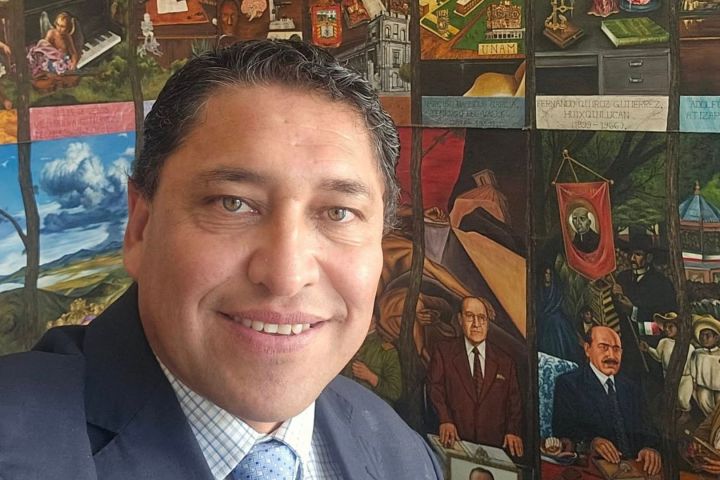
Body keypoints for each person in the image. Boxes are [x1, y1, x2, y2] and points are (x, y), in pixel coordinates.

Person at [0, 40, 442, 478]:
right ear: (141, 227)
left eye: (338, 213)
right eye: (232, 204)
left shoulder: (402, 455)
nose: (286, 275)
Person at [552, 326, 662, 475]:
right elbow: (563, 431)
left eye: (616, 349)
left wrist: (650, 448)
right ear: (587, 349)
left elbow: (649, 429)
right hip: (594, 469)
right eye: (603, 347)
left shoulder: (632, 387)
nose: (611, 355)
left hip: (635, 469)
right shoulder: (569, 384)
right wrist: (592, 443)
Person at [427, 296, 524, 457]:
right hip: (455, 444)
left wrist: (513, 431)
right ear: (460, 320)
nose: (476, 324)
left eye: (481, 318)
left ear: (488, 323)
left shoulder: (505, 362)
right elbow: (435, 388)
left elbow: (514, 402)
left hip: (494, 449)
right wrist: (445, 419)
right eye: (470, 316)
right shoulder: (444, 352)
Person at [639, 312, 694, 417]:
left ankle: (686, 415)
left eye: (670, 327)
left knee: (682, 399)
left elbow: (692, 364)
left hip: (685, 378)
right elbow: (658, 357)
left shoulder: (688, 346)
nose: (667, 329)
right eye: (665, 327)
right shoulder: (663, 342)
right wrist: (648, 349)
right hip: (668, 376)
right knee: (672, 399)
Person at [341, 314, 402, 407]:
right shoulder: (348, 345)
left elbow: (395, 392)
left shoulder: (386, 351)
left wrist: (370, 377)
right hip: (346, 406)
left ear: (374, 320)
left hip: (374, 409)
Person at [690, 314, 720, 417]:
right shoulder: (697, 353)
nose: (704, 338)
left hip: (719, 387)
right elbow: (693, 369)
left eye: (707, 335)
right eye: (702, 335)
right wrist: (694, 382)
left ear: (716, 337)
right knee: (704, 402)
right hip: (703, 386)